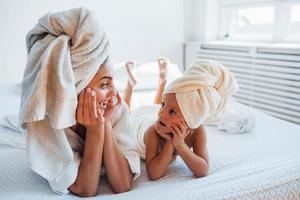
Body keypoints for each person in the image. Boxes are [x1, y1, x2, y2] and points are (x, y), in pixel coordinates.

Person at [19, 8, 140, 197]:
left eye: (113, 82)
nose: (115, 93)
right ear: (75, 88)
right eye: (105, 84)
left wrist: (104, 124)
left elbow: (123, 184)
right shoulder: (51, 126)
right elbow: (85, 189)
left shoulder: (115, 107)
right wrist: (93, 131)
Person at [123, 59, 238, 180]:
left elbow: (203, 170)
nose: (161, 114)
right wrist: (170, 143)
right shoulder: (153, 131)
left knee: (161, 109)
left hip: (157, 118)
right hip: (140, 120)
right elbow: (154, 174)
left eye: (172, 112)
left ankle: (162, 81)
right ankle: (131, 84)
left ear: (191, 119)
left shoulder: (198, 131)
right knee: (126, 113)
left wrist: (180, 145)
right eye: (163, 104)